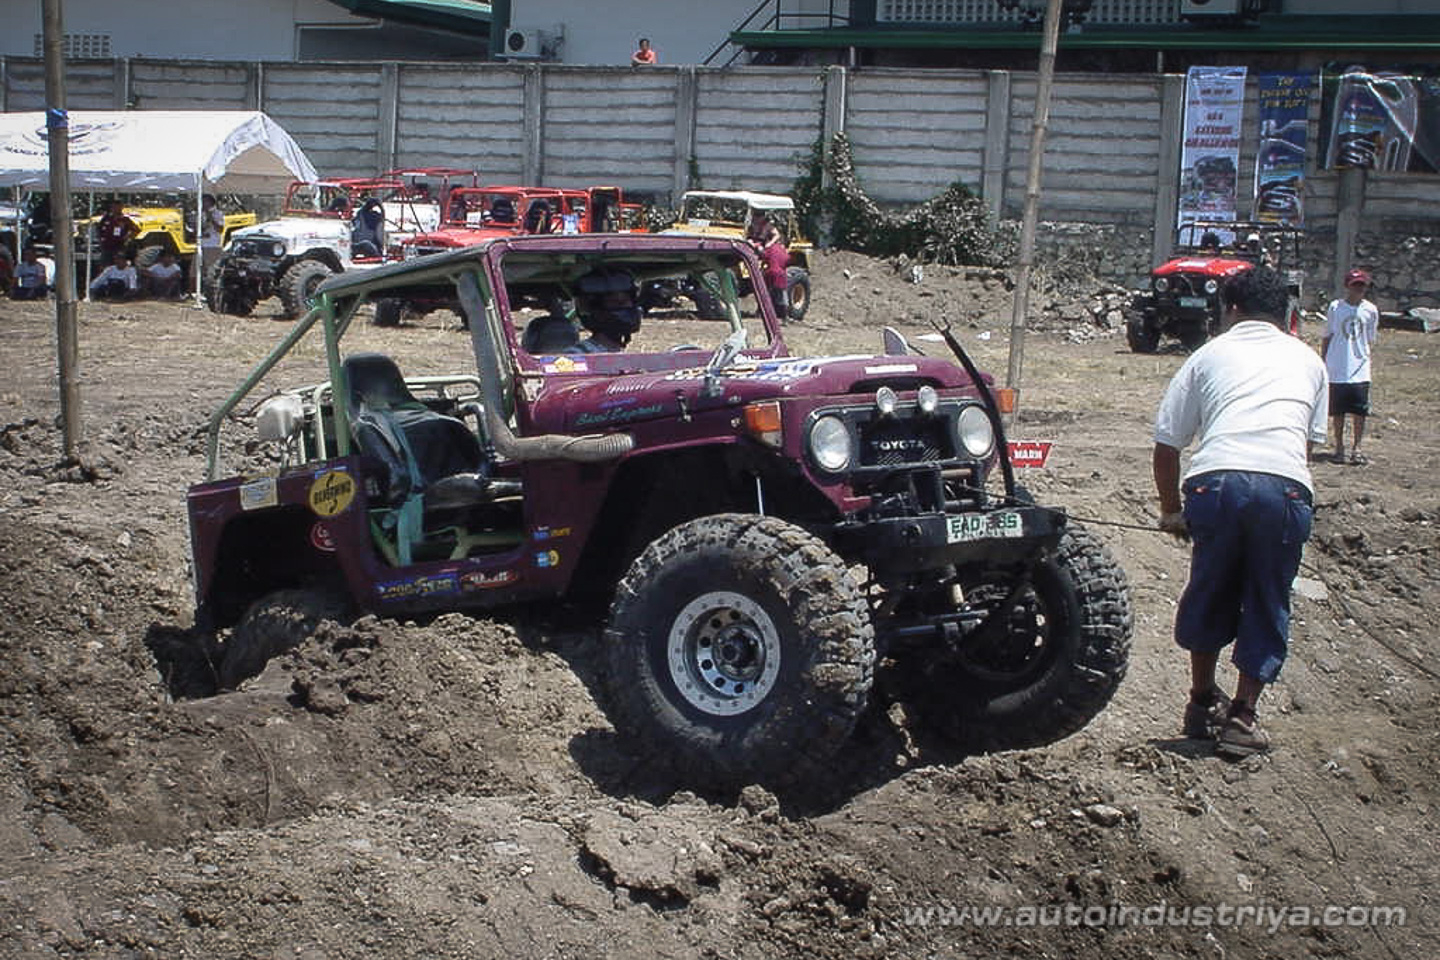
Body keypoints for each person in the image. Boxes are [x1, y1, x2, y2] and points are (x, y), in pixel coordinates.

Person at [1152, 265, 1328, 758]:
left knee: (1210, 587)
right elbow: (1306, 449)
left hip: (1216, 483)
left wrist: (1172, 512)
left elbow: (1167, 445)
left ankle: (1201, 701)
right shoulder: (1309, 361)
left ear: (1229, 308)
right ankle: (1243, 717)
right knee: (1268, 598)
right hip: (1286, 489)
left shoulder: (1208, 355)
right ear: (1285, 313)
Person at [1321, 268, 1380, 466]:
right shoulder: (1336, 308)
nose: (1359, 289)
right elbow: (1328, 335)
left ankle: (1357, 447)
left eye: (1362, 285)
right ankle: (1339, 447)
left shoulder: (1370, 310)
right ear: (1347, 286)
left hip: (1359, 367)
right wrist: (1324, 360)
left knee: (1359, 411)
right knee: (1338, 412)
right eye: (1355, 285)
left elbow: (1370, 338)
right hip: (1337, 367)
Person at [572, 267, 641, 352]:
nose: (629, 307)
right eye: (618, 302)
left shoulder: (621, 355)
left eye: (630, 302)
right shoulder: (577, 356)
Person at [746, 211, 790, 316]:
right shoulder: (751, 226)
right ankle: (784, 314)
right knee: (781, 293)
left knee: (766, 292)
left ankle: (763, 311)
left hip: (771, 272)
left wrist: (767, 246)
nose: (755, 219)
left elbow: (766, 257)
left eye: (757, 216)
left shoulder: (768, 228)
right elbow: (786, 259)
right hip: (779, 273)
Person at [199, 195, 226, 279]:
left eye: (205, 201)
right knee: (201, 269)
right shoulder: (201, 214)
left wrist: (211, 218)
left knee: (212, 270)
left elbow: (220, 229)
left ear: (211, 202)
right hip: (201, 244)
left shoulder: (218, 213)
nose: (203, 203)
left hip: (213, 245)